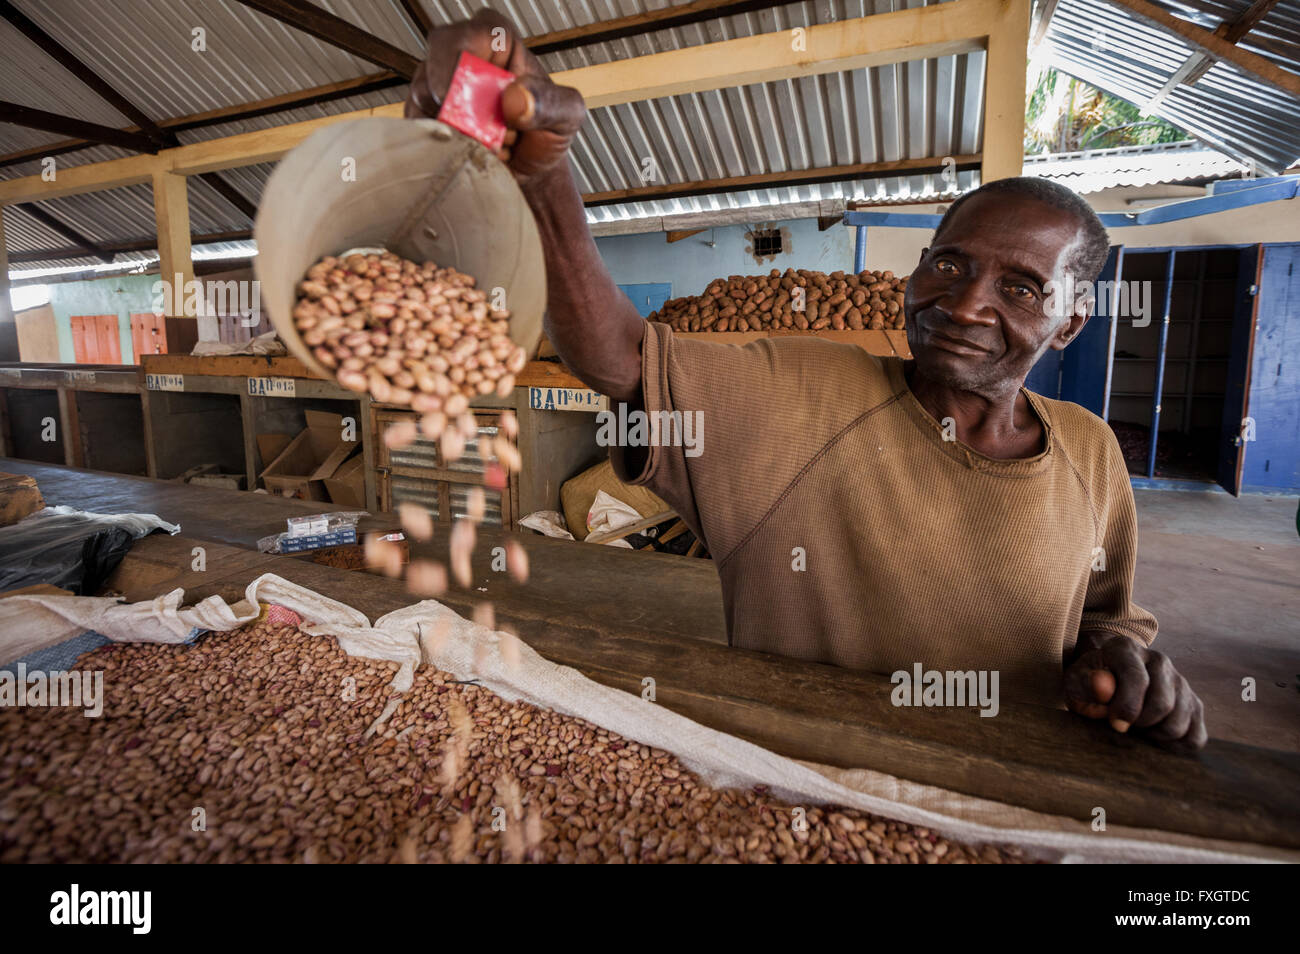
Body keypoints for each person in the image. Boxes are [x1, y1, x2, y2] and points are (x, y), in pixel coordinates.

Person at [406, 9, 1207, 751]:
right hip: (797, 780)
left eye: (1021, 288)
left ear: (1071, 320)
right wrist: (542, 180)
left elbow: (1110, 621)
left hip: (1005, 796)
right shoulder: (803, 392)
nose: (965, 304)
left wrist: (1123, 668)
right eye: (949, 265)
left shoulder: (1089, 451)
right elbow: (617, 353)